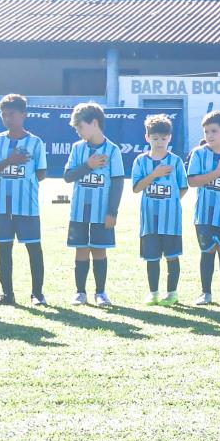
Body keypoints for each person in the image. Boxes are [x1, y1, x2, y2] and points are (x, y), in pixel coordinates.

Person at [0, 93, 48, 306]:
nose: (7, 118)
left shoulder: (35, 142)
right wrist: (10, 161)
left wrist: (24, 177)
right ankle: (7, 294)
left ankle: (37, 294)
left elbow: (41, 173)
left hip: (27, 206)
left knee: (34, 249)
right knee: (4, 249)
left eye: (11, 114)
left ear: (23, 115)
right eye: (4, 115)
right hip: (3, 206)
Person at [63, 102, 125, 306]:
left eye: (80, 126)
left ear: (95, 123)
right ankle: (80, 292)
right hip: (79, 212)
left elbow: (117, 183)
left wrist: (112, 212)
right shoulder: (77, 148)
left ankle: (100, 292)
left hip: (101, 212)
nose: (78, 131)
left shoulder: (112, 150)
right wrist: (88, 165)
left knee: (99, 250)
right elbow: (68, 176)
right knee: (81, 250)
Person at [130, 115, 188, 304]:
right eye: (155, 138)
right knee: (152, 258)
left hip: (171, 220)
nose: (160, 142)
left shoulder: (176, 161)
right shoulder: (140, 161)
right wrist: (154, 175)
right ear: (147, 138)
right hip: (149, 220)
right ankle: (153, 293)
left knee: (172, 257)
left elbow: (183, 187)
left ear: (169, 138)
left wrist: (170, 203)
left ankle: (172, 293)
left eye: (163, 138)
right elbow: (136, 188)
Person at [187, 110, 220, 305]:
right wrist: (218, 173)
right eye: (206, 131)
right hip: (204, 215)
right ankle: (206, 293)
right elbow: (192, 181)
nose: (209, 135)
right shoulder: (198, 154)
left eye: (214, 131)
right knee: (207, 252)